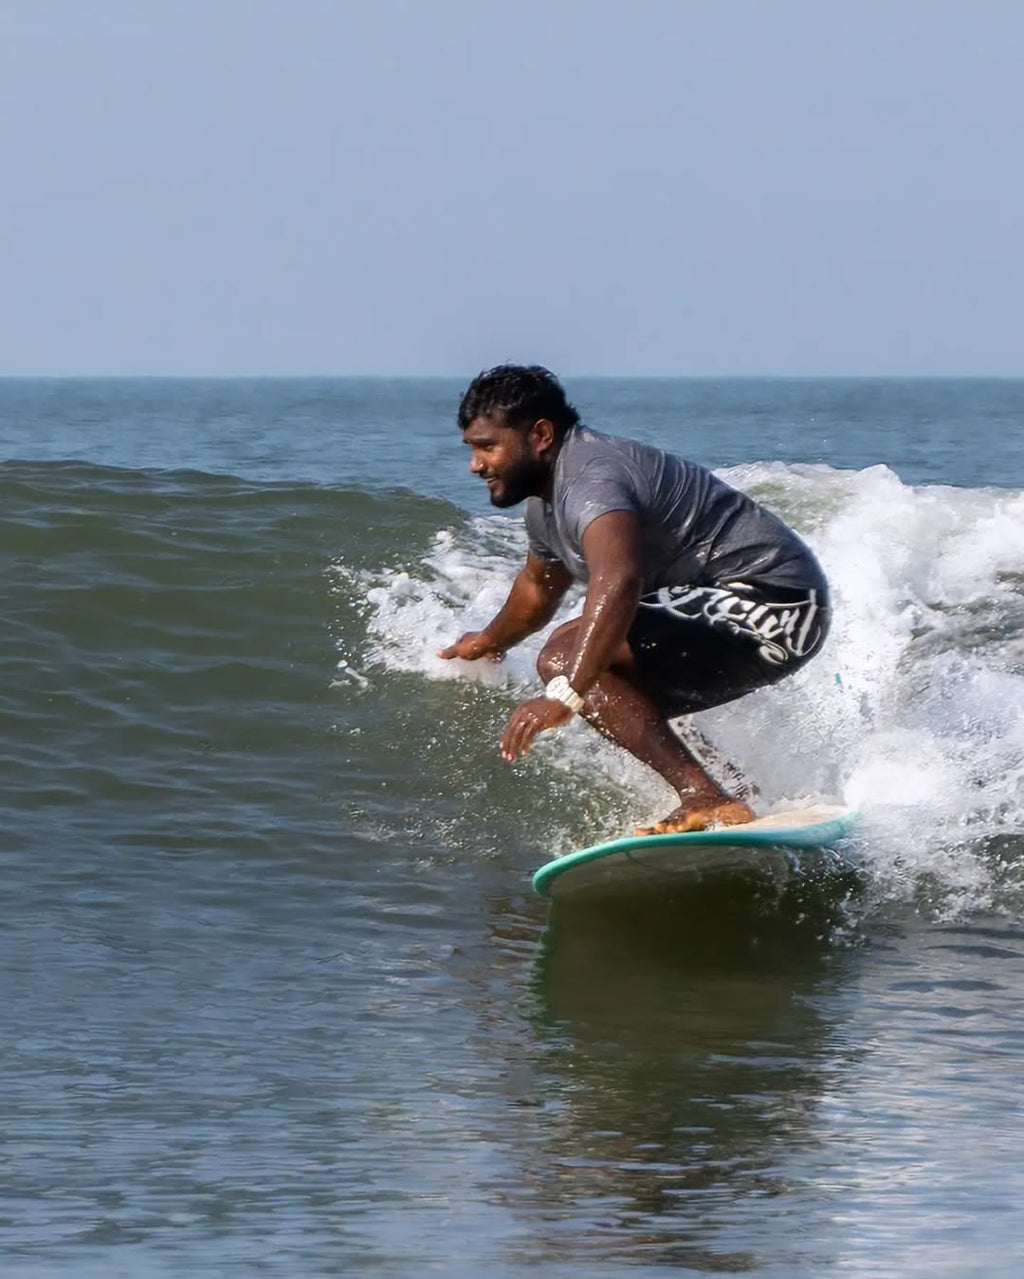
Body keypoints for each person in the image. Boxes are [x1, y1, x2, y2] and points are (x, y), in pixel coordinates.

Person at [437, 365, 830, 834]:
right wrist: (486, 639)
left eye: (488, 446)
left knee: (567, 658)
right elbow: (537, 589)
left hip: (773, 604)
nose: (476, 465)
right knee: (606, 670)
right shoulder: (546, 505)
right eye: (473, 449)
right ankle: (734, 795)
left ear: (540, 434)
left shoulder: (592, 481)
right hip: (769, 616)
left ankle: (702, 796)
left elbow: (619, 580)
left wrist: (565, 694)